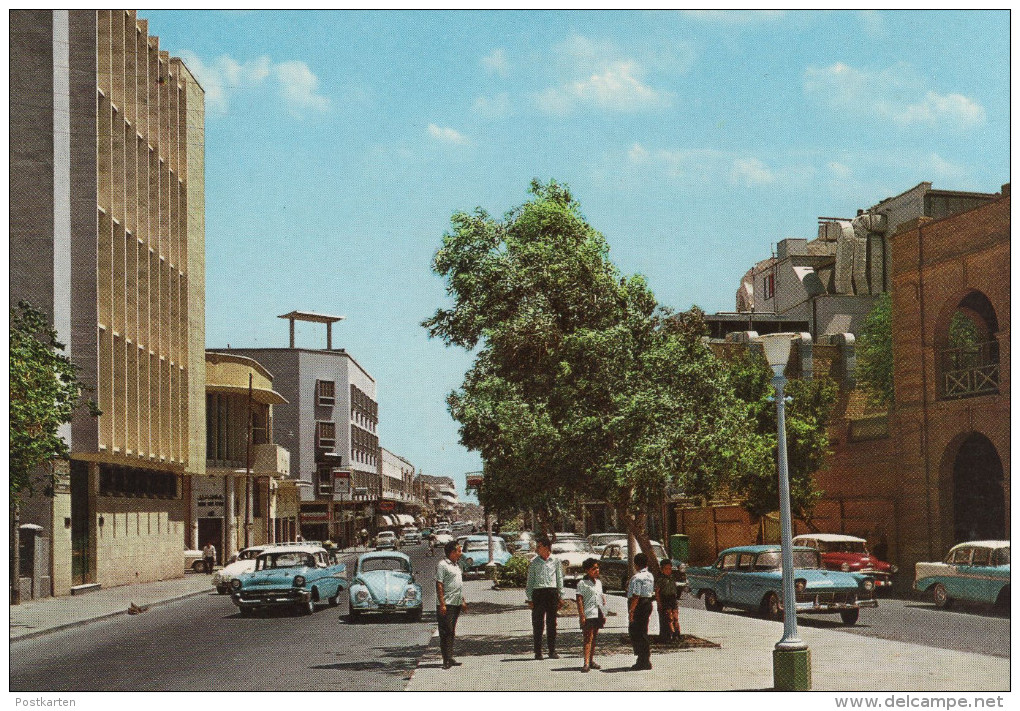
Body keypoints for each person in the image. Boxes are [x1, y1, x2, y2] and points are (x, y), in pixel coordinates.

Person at [525, 535, 563, 660]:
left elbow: (559, 578)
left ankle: (552, 651)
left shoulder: (555, 560)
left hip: (551, 593)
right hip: (538, 593)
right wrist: (530, 598)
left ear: (546, 547)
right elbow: (530, 581)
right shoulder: (534, 562)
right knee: (538, 624)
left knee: (552, 623)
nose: (537, 549)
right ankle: (538, 652)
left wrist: (561, 596)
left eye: (539, 547)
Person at [436, 540, 467, 670]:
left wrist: (463, 601)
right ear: (452, 552)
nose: (461, 553)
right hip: (447, 603)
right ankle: (446, 660)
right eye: (459, 551)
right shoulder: (442, 565)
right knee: (445, 631)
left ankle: (450, 656)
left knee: (451, 631)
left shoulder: (456, 565)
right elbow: (439, 584)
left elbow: (458, 585)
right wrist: (442, 604)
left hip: (456, 602)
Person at [575, 558, 607, 673]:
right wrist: (582, 616)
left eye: (597, 568)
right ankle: (586, 662)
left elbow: (601, 598)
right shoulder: (582, 584)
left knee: (594, 638)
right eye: (593, 568)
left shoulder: (598, 582)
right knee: (588, 638)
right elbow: (579, 600)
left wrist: (604, 612)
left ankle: (592, 660)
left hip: (597, 613)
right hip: (588, 613)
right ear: (587, 570)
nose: (596, 570)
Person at [627, 552, 655, 670]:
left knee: (636, 632)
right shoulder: (650, 576)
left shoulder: (637, 578)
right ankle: (644, 659)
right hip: (647, 603)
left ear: (636, 564)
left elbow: (636, 595)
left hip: (639, 605)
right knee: (643, 631)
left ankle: (642, 659)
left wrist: (631, 611)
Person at [655, 558, 681, 643]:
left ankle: (677, 634)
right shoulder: (661, 579)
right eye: (666, 569)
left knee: (675, 617)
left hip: (672, 598)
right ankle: (671, 634)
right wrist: (659, 603)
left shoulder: (672, 577)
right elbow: (657, 592)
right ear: (662, 569)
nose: (668, 571)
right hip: (665, 598)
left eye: (670, 569)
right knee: (669, 618)